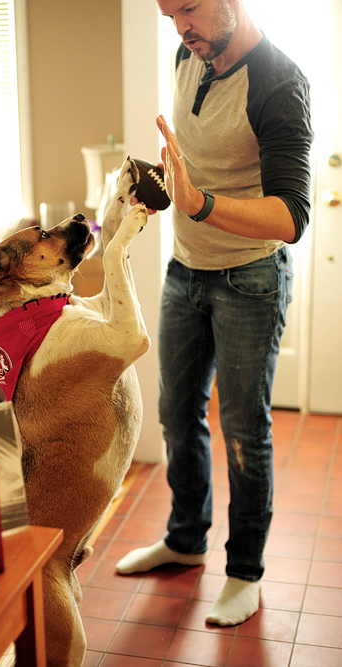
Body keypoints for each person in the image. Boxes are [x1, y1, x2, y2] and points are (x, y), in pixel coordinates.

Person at [116, 0, 313, 627]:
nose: (180, 28)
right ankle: (185, 537)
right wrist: (161, 184)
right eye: (169, 14)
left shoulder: (280, 83)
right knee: (177, 413)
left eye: (190, 9)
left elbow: (290, 217)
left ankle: (244, 572)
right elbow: (197, 159)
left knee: (243, 431)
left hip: (250, 278)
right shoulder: (189, 53)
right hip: (185, 270)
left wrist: (199, 204)